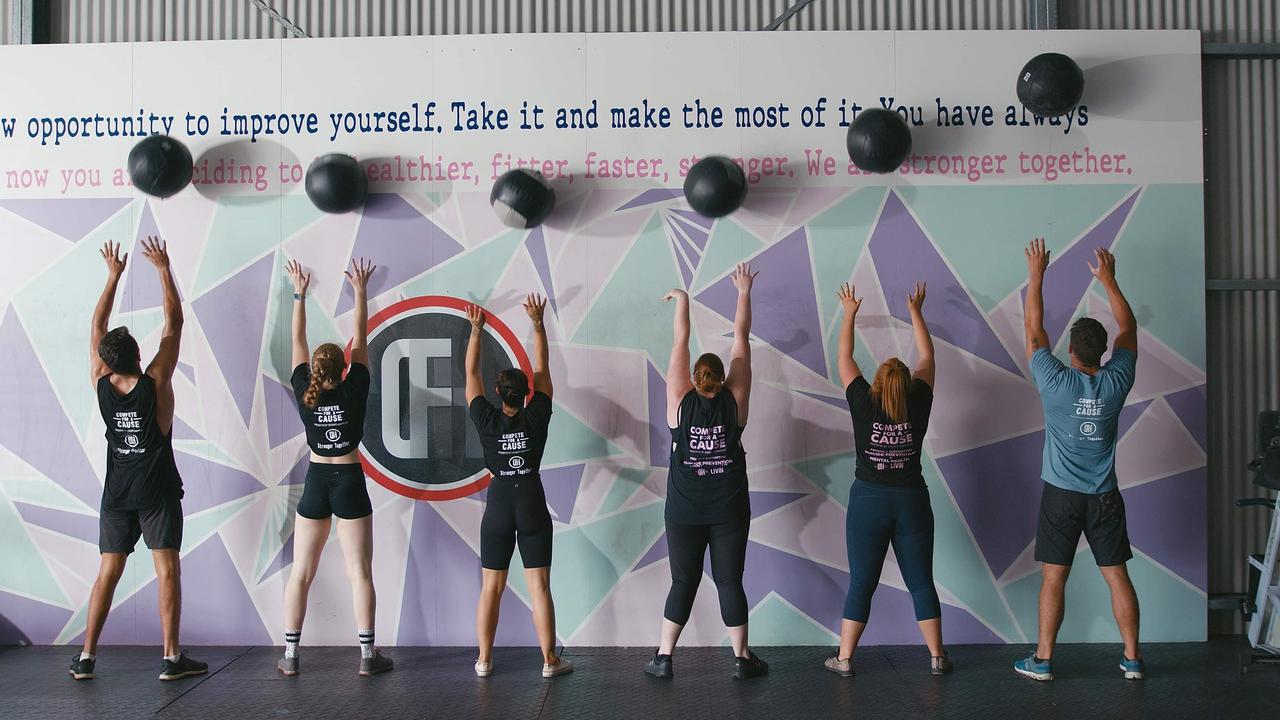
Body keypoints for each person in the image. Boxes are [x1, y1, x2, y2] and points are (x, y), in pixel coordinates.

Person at [71, 238, 207, 682]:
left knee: (108, 570)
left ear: (108, 363)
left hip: (118, 494)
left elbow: (96, 325)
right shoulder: (156, 382)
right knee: (166, 568)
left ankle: (87, 657)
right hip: (156, 494)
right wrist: (164, 269)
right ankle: (171, 658)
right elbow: (175, 322)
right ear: (137, 356)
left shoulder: (101, 383)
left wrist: (113, 275)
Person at [1014, 238, 1143, 682]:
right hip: (1104, 496)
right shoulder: (1119, 379)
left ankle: (1044, 661)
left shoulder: (1054, 381)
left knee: (1054, 579)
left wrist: (1036, 274)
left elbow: (1034, 330)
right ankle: (1132, 659)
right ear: (1103, 352)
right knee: (1117, 576)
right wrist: (1109, 280)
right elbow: (1129, 327)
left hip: (1062, 497)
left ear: (1071, 350)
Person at [645, 263, 767, 681]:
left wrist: (683, 299)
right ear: (721, 378)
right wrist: (744, 292)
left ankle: (664, 659)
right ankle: (741, 659)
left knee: (683, 581)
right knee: (729, 582)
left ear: (696, 379)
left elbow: (680, 339)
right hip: (729, 509)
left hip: (683, 510)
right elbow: (741, 340)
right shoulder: (736, 400)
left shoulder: (679, 400)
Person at [824, 281, 951, 677]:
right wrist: (915, 311)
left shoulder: (863, 401)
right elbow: (928, 355)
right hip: (912, 501)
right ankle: (937, 658)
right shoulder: (919, 401)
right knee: (922, 583)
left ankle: (844, 659)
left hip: (869, 503)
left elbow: (844, 356)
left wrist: (849, 313)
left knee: (862, 582)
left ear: (878, 384)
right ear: (907, 384)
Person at [277, 258, 393, 677]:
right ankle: (367, 657)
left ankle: (290, 657)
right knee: (360, 572)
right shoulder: (356, 386)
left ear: (314, 370)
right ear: (343, 369)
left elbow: (296, 339)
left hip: (316, 482)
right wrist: (360, 290)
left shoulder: (302, 390)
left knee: (301, 573)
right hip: (349, 481)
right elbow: (360, 336)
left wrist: (299, 294)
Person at [466, 294, 572, 679]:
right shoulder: (538, 414)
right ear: (526, 394)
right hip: (530, 499)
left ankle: (483, 661)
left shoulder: (485, 418)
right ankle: (550, 661)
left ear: (499, 394)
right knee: (539, 587)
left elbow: (471, 377)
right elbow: (543, 367)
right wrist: (539, 324)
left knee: (490, 588)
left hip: (498, 503)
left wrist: (476, 332)